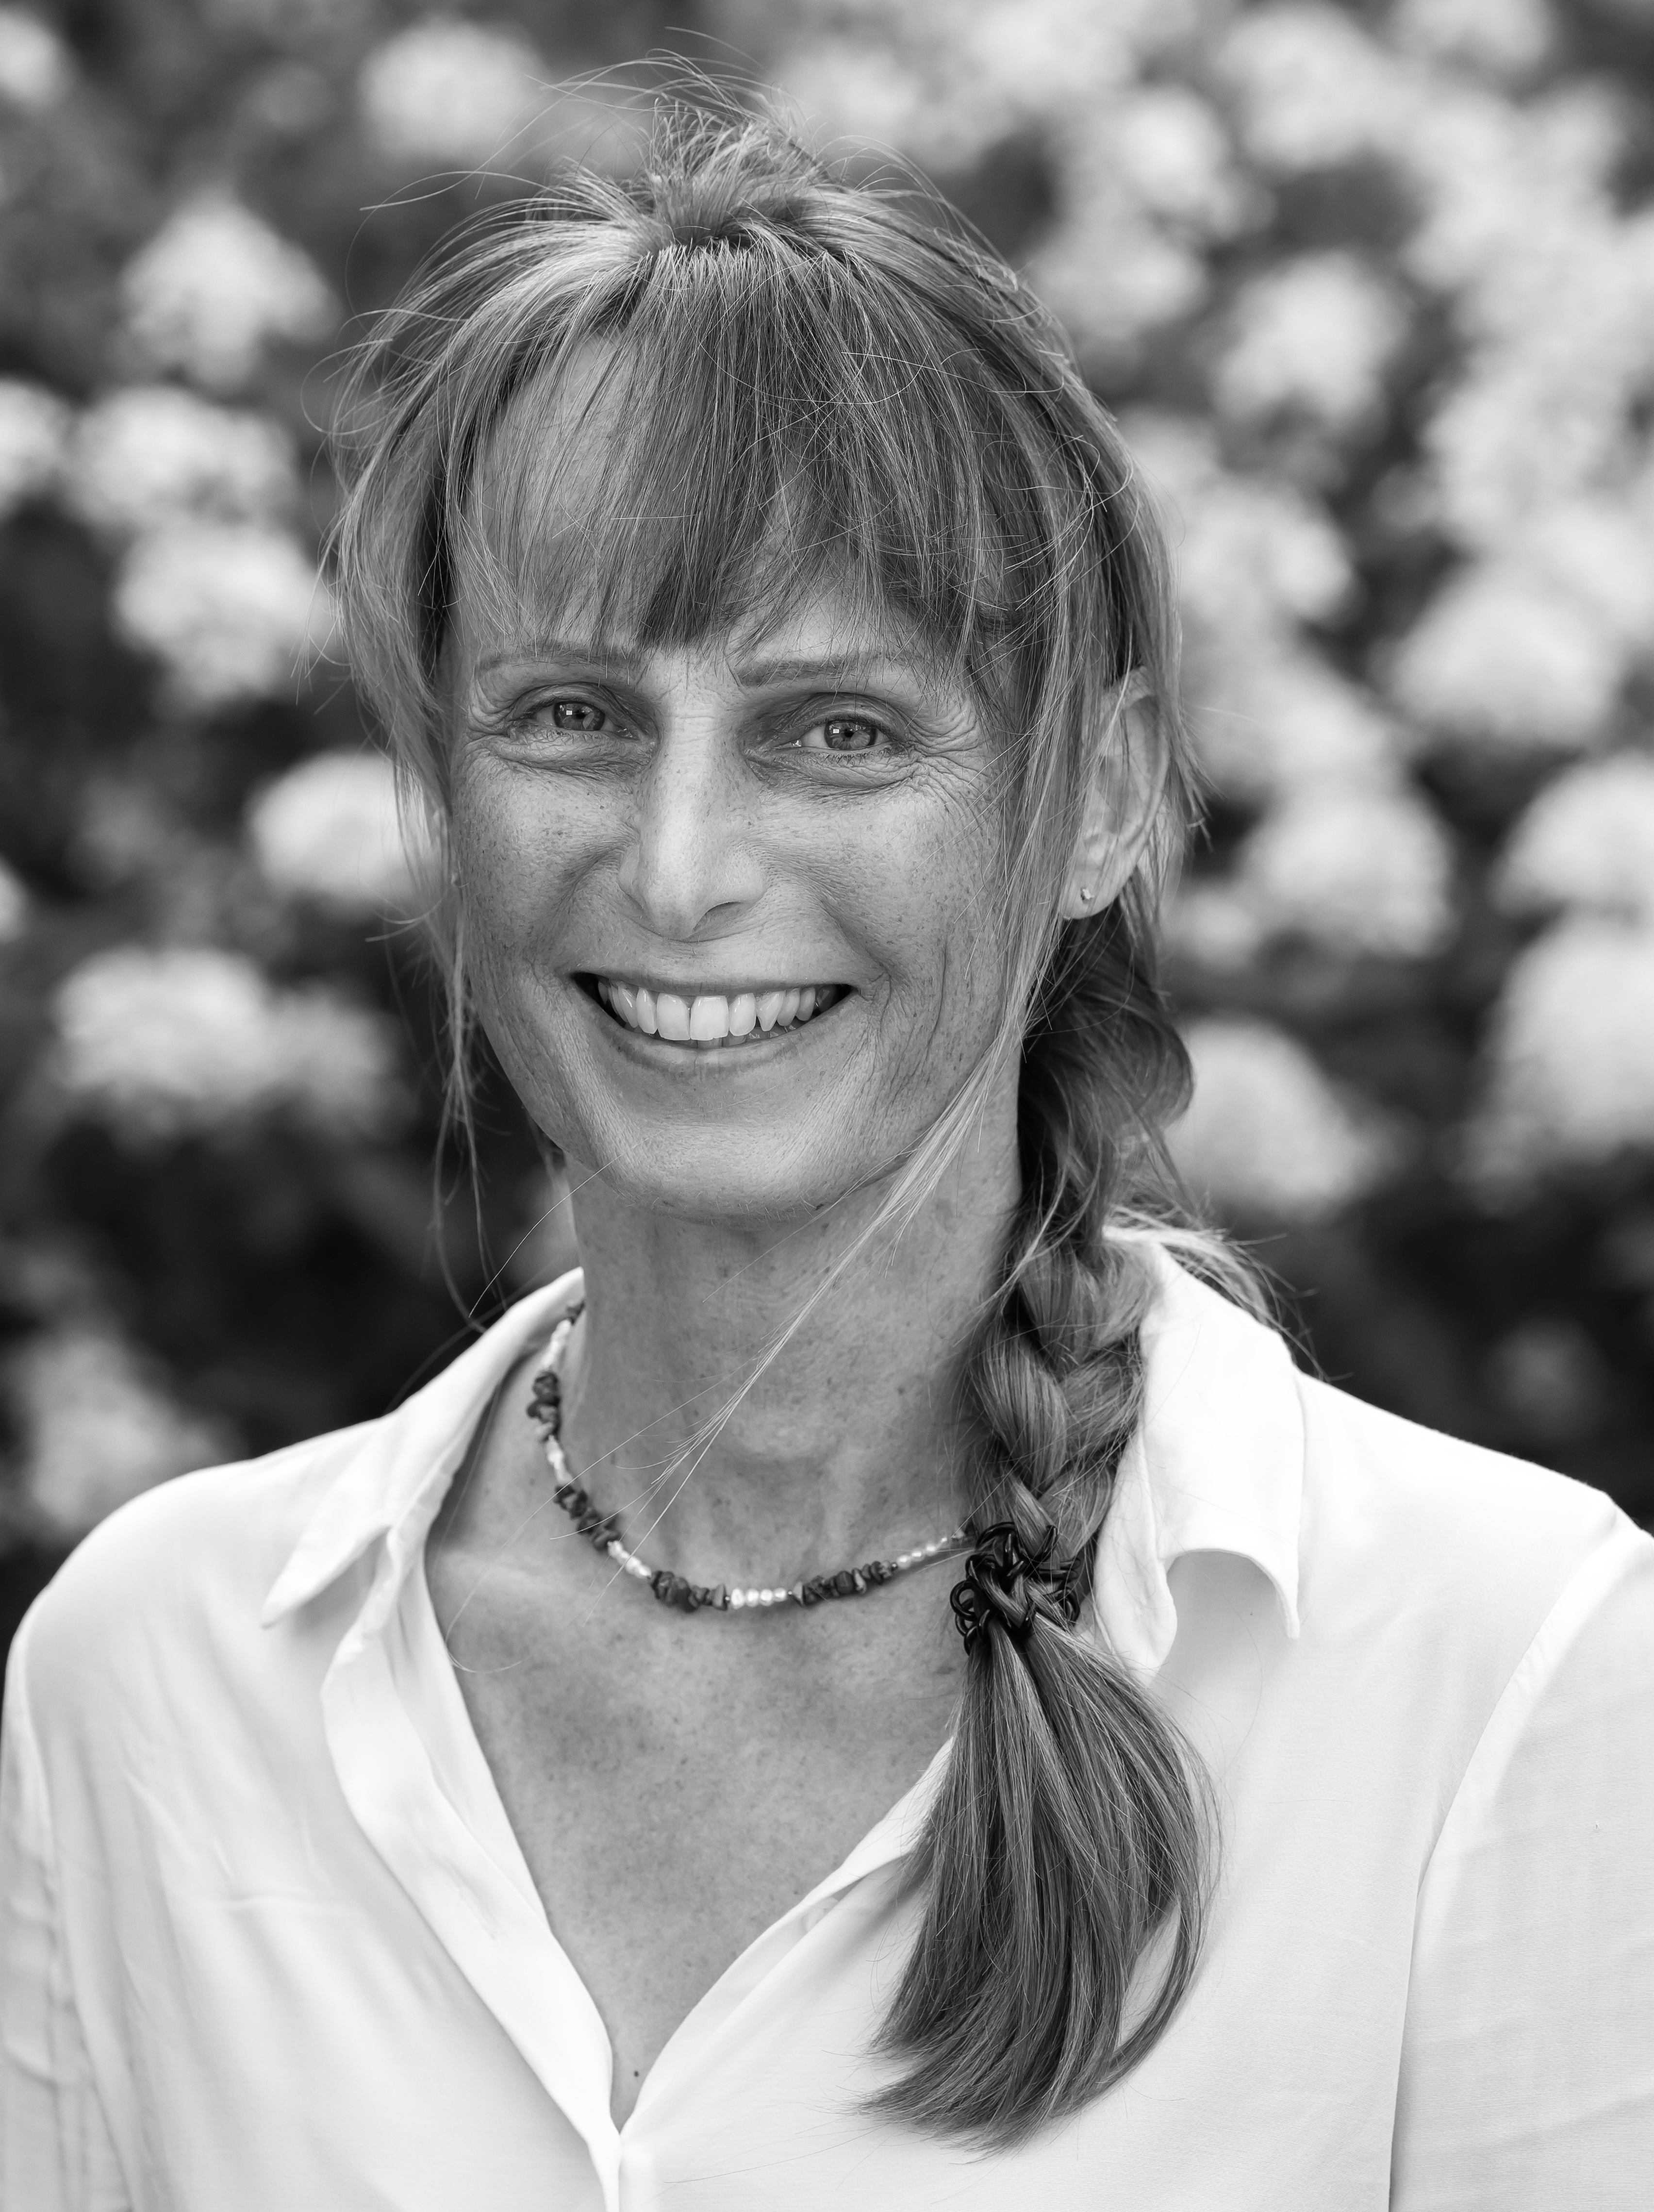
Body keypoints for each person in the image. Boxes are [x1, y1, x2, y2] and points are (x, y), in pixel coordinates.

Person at [2, 108, 1650, 2212]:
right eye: (573, 714)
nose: (681, 871)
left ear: (1101, 804)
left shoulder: (1505, 1676)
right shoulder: (153, 1675)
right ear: (440, 787)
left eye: (838, 729)